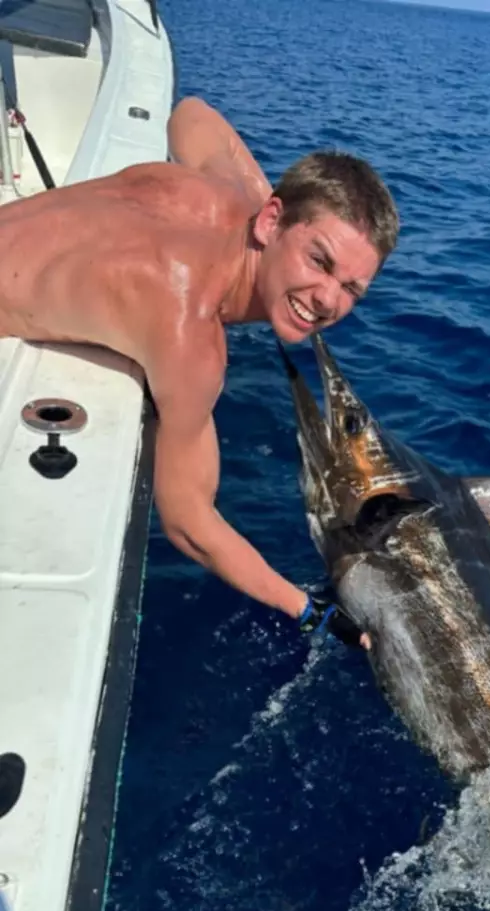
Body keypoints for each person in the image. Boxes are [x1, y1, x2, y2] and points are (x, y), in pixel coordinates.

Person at [0, 96, 399, 641]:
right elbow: (188, 522)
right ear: (272, 222)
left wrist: (267, 203)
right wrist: (310, 609)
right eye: (318, 260)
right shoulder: (189, 333)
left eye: (351, 287)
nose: (327, 298)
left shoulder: (220, 191)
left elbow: (190, 115)